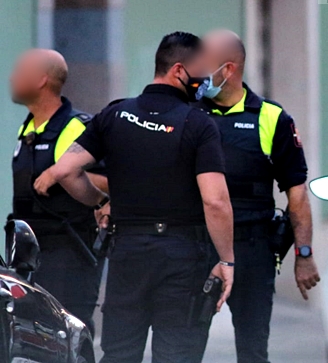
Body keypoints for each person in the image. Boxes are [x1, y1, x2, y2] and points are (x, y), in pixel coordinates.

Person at [50, 32, 235, 363]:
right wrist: (226, 260)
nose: (207, 81)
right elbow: (216, 201)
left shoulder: (114, 115)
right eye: (203, 72)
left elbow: (65, 170)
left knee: (120, 353)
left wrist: (98, 202)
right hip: (182, 256)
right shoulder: (199, 124)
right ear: (179, 70)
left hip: (127, 254)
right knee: (176, 354)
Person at [195, 29, 320, 363]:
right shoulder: (191, 114)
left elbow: (297, 191)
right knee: (183, 347)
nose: (196, 70)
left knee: (252, 350)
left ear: (229, 69)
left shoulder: (271, 118)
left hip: (252, 248)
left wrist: (304, 254)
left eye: (203, 61)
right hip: (196, 246)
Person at [9, 48, 106, 334]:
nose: (11, 78)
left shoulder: (75, 127)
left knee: (69, 333)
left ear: (41, 80)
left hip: (68, 253)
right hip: (32, 252)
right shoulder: (29, 128)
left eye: (19, 72)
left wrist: (59, 174)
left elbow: (108, 180)